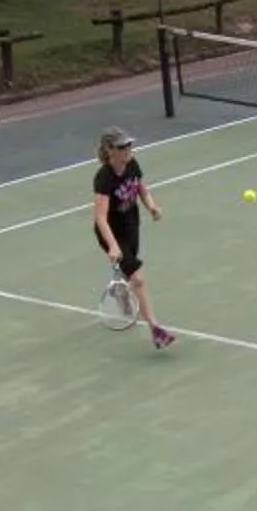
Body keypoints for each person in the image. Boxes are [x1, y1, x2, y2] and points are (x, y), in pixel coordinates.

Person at [92, 127, 175, 349]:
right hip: (111, 232)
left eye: (129, 144)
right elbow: (100, 218)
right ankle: (156, 330)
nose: (128, 149)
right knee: (137, 278)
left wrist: (152, 207)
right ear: (110, 151)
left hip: (131, 226)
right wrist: (111, 246)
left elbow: (142, 190)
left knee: (128, 273)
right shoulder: (104, 178)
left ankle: (120, 292)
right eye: (122, 146)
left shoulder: (132, 164)